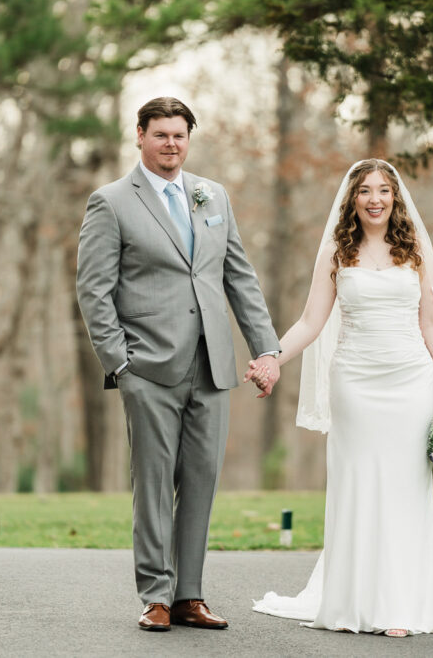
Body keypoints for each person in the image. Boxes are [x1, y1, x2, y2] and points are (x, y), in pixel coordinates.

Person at [246, 159, 433, 636]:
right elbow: (311, 322)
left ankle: (401, 606)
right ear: (353, 199)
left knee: (404, 488)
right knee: (357, 484)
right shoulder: (336, 253)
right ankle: (354, 601)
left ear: (396, 198)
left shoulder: (416, 249)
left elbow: (432, 321)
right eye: (365, 191)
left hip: (409, 381)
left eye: (384, 190)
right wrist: (272, 358)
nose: (375, 199)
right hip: (355, 382)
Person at [76, 97, 281, 632]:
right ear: (139, 135)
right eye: (161, 134)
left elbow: (239, 277)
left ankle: (190, 595)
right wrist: (120, 363)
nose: (171, 144)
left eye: (180, 135)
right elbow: (94, 291)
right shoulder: (112, 202)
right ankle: (156, 596)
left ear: (189, 139)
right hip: (148, 369)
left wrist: (267, 349)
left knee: (201, 481)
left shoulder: (212, 195)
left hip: (213, 366)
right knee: (153, 483)